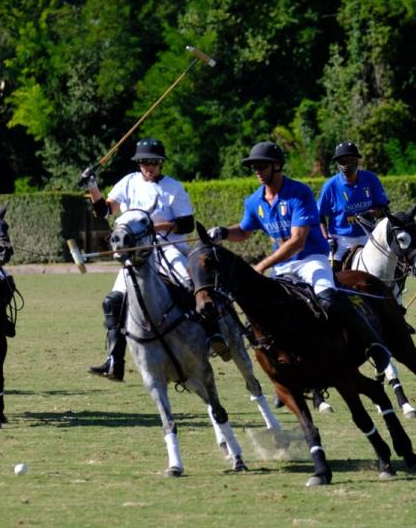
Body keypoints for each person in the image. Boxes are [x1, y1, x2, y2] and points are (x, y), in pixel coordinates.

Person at [206, 141, 393, 375]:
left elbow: (298, 241)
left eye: (261, 166)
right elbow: (244, 230)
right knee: (261, 309)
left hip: (311, 258)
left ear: (276, 166)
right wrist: (223, 232)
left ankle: (375, 344)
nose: (257, 171)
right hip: (283, 266)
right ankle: (282, 366)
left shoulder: (298, 193)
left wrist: (262, 265)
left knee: (328, 297)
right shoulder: (254, 201)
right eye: (254, 167)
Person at [79, 138, 214, 381]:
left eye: (153, 163)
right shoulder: (128, 182)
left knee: (190, 283)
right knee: (113, 302)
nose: (149, 168)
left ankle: (212, 335)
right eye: (144, 163)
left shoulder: (172, 188)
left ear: (161, 164)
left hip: (165, 247)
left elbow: (187, 223)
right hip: (136, 254)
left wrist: (150, 227)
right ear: (139, 164)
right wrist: (92, 185)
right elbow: (104, 210)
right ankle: (114, 360)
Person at [318, 141, 390, 269]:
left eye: (349, 160)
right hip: (341, 240)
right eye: (342, 162)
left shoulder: (371, 179)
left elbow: (384, 208)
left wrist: (374, 213)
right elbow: (320, 216)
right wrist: (326, 237)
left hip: (369, 235)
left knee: (389, 264)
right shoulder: (330, 186)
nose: (346, 165)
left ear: (357, 161)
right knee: (331, 273)